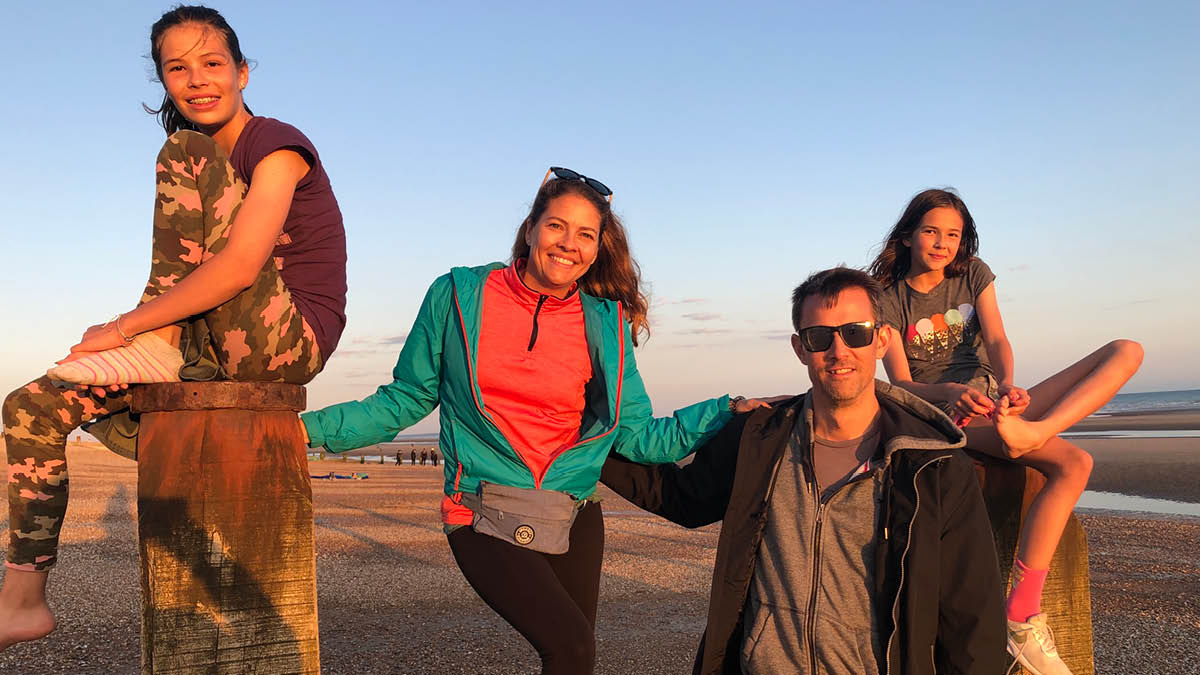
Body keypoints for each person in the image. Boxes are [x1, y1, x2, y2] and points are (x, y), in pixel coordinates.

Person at [300, 167, 760, 675]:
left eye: (586, 234)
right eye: (557, 226)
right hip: (481, 507)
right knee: (570, 647)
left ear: (598, 247)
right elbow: (405, 399)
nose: (569, 244)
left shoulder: (607, 323)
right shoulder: (458, 295)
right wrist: (302, 430)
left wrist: (726, 410)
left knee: (574, 658)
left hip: (574, 512)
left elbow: (637, 436)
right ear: (531, 228)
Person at [1, 5, 347, 651]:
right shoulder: (197, 162)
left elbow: (241, 266)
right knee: (28, 407)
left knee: (182, 147)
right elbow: (189, 268)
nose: (197, 79)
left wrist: (125, 328)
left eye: (212, 63)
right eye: (177, 68)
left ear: (243, 71)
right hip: (205, 340)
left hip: (284, 338)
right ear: (162, 80)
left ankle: (154, 350)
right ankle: (22, 596)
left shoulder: (276, 143)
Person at [602, 267, 1006, 674]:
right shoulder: (761, 438)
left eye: (856, 332)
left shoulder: (931, 463)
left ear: (882, 340)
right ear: (799, 348)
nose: (838, 350)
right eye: (819, 337)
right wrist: (586, 446)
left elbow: (971, 614)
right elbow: (682, 497)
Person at [868, 188, 1142, 675]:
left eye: (952, 234)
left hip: (999, 402)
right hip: (950, 416)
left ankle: (1033, 433)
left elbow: (996, 338)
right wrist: (952, 393)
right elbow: (902, 385)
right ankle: (1020, 615)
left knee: (1126, 349)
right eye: (931, 231)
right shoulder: (886, 298)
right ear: (908, 235)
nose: (942, 243)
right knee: (1076, 464)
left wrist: (1011, 388)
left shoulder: (973, 273)